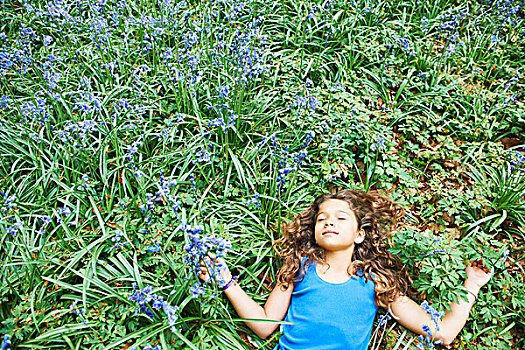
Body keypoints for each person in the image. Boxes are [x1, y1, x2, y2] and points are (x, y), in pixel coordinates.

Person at [198, 189, 492, 349]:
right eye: (322, 218)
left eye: (340, 218)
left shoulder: (375, 282)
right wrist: (227, 283)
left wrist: (472, 286)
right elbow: (264, 327)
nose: (328, 222)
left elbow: (442, 333)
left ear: (360, 234)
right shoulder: (300, 269)